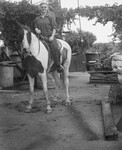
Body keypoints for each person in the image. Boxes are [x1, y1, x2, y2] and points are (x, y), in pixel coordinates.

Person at [34, 2, 64, 73]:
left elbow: (54, 27)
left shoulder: (50, 16)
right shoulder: (37, 18)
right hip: (41, 37)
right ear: (40, 8)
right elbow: (35, 27)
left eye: (45, 7)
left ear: (47, 8)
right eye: (42, 7)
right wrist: (36, 30)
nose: (43, 8)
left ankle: (58, 65)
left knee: (55, 48)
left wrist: (52, 36)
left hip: (50, 36)